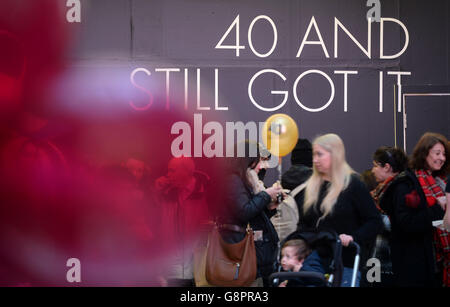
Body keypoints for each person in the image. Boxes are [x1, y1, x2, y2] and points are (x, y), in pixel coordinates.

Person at [294, 133, 382, 287]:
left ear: (335, 155)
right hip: (316, 261)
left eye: (320, 154)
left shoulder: (354, 185)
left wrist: (353, 237)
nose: (315, 160)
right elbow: (304, 224)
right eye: (314, 154)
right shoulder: (312, 188)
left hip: (346, 261)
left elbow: (374, 222)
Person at [378, 132, 449, 287]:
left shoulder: (440, 183)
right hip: (412, 265)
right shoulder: (406, 183)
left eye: (444, 154)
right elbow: (405, 222)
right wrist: (437, 208)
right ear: (424, 154)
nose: (442, 158)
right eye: (437, 153)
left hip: (437, 262)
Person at [217, 141, 283, 287]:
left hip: (249, 253)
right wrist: (266, 195)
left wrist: (269, 208)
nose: (261, 166)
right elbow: (244, 211)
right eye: (258, 161)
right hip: (239, 252)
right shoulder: (232, 180)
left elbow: (252, 214)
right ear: (248, 160)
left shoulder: (243, 180)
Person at [154, 157, 211, 286]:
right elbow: (153, 218)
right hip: (174, 264)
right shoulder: (167, 192)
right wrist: (156, 192)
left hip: (200, 262)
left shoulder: (205, 192)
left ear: (186, 171)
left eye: (172, 170)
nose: (168, 175)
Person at [369, 146, 408, 287]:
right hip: (376, 258)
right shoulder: (380, 190)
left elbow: (400, 223)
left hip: (390, 262)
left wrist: (372, 218)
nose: (372, 170)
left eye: (375, 166)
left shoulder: (399, 189)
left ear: (386, 167)